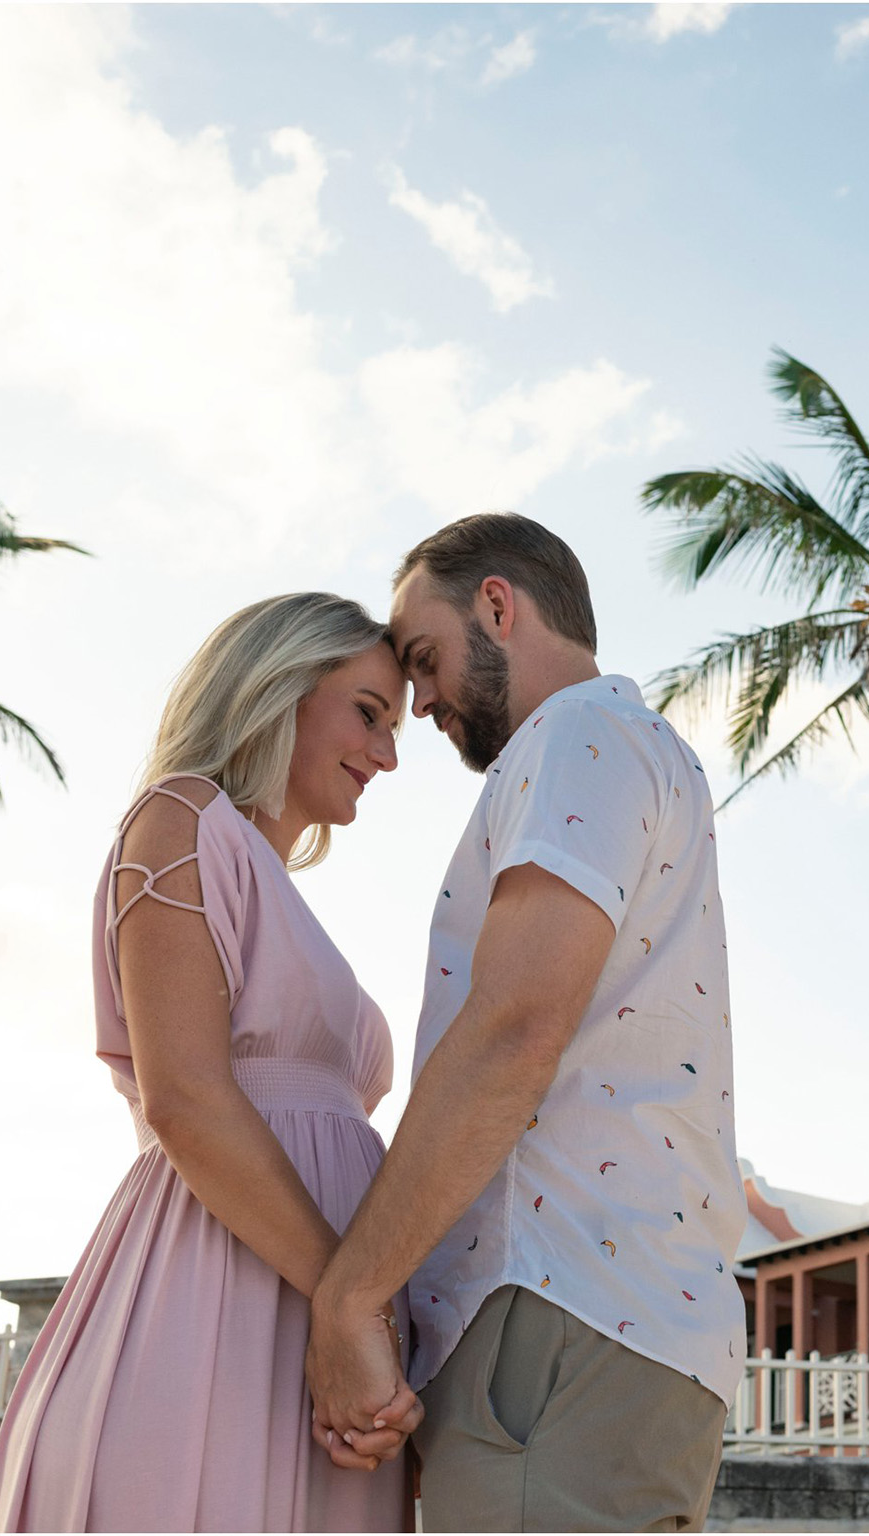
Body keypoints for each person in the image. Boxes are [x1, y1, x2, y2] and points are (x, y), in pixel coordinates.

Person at [304, 514, 744, 1532]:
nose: (419, 703)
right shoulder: (635, 747)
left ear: (498, 606)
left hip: (558, 1310)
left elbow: (512, 1032)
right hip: (611, 1323)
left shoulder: (576, 734)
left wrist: (348, 1300)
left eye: (425, 659)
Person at [0, 593, 422, 1533]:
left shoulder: (273, 884)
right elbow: (184, 1097)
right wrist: (354, 1310)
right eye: (368, 712)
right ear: (276, 688)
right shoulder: (181, 816)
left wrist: (362, 1316)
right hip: (217, 1298)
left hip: (321, 1323)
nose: (388, 754)